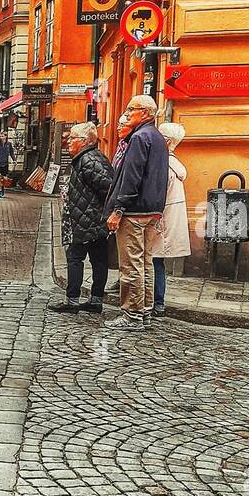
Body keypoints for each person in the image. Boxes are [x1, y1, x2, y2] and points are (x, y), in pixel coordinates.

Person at [104, 94, 169, 333]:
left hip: (134, 210)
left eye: (131, 109)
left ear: (144, 113)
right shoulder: (158, 138)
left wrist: (118, 209)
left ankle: (131, 314)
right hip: (152, 210)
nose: (127, 113)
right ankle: (145, 311)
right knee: (146, 263)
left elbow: (131, 177)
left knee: (131, 264)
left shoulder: (139, 138)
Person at [50, 122, 113, 315]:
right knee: (98, 260)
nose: (68, 141)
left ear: (84, 141)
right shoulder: (88, 158)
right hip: (90, 219)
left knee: (75, 258)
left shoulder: (89, 160)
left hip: (87, 221)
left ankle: (73, 300)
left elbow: (108, 188)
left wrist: (96, 212)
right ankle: (95, 300)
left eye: (72, 138)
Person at [152, 121, 191, 316]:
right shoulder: (174, 165)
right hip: (166, 222)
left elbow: (156, 198)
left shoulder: (163, 166)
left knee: (153, 262)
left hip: (159, 223)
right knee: (157, 262)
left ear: (166, 142)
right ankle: (158, 302)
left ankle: (156, 302)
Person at [0, 131, 15, 197]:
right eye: (0, 136)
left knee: (4, 178)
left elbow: (11, 153)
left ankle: (2, 188)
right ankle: (0, 191)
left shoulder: (9, 144)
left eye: (2, 136)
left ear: (6, 136)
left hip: (5, 163)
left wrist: (14, 160)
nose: (1, 137)